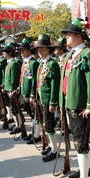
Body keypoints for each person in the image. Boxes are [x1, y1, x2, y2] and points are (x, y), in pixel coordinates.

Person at [60, 18, 90, 178]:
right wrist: (61, 103)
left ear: (79, 36)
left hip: (81, 107)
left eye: (69, 35)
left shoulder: (88, 54)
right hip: (70, 104)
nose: (66, 38)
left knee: (81, 143)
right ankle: (83, 169)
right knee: (78, 142)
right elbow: (65, 80)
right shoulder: (70, 55)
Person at [30, 34, 60, 162]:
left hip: (48, 100)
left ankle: (54, 150)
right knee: (44, 124)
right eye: (38, 49)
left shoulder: (52, 64)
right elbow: (37, 82)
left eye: (42, 49)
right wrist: (34, 96)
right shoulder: (40, 64)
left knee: (49, 125)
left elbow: (54, 84)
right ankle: (50, 145)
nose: (39, 52)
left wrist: (53, 102)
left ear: (48, 49)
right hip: (41, 99)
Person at [17, 38, 40, 144]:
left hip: (31, 94)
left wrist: (32, 95)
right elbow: (23, 77)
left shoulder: (33, 63)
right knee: (31, 114)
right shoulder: (25, 63)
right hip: (24, 92)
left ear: (28, 50)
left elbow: (34, 81)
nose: (21, 52)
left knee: (36, 115)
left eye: (23, 50)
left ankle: (37, 135)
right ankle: (34, 132)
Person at [1, 43, 22, 135]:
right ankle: (17, 123)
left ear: (9, 53)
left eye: (4, 52)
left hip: (13, 91)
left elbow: (14, 79)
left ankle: (20, 125)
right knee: (13, 109)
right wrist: (5, 87)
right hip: (9, 90)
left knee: (16, 109)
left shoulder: (14, 64)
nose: (3, 53)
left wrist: (12, 90)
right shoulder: (9, 63)